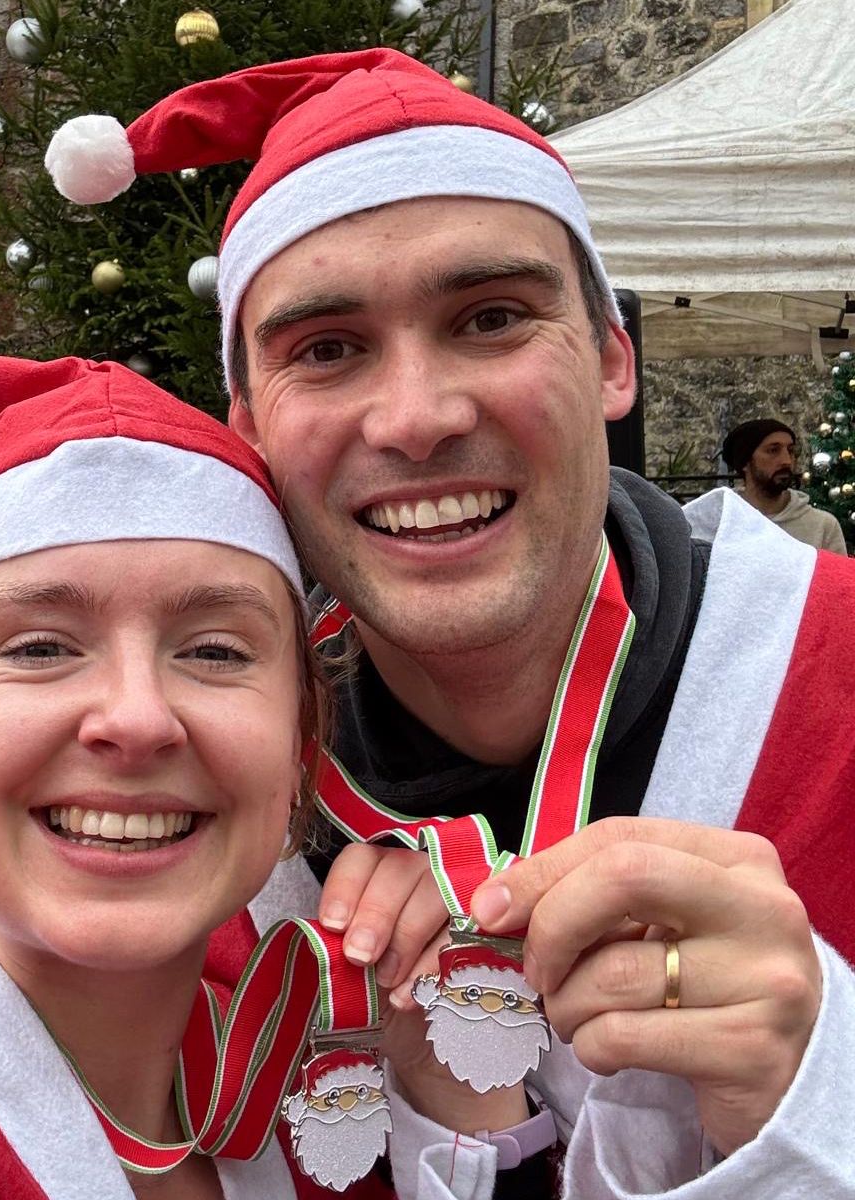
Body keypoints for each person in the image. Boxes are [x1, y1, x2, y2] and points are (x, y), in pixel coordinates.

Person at [47, 48, 855, 1197]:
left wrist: (824, 1088)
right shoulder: (189, 805)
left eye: (491, 318)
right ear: (248, 422)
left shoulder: (834, 669)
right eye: (326, 350)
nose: (417, 419)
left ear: (614, 357)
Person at [0, 350, 540, 1200]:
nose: (137, 719)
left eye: (215, 650)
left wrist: (452, 1092)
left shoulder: (324, 1076)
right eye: (39, 648)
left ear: (303, 738)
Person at [722, 417, 847, 554]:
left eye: (791, 451)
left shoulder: (822, 525)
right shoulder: (721, 522)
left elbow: (838, 575)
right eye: (773, 451)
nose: (787, 461)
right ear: (745, 462)